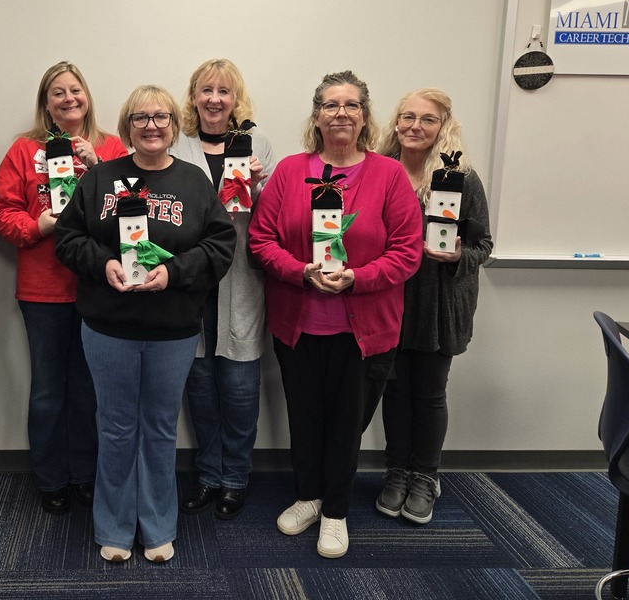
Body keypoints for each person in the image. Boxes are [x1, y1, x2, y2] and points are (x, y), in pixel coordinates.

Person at [55, 85, 236, 564]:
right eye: (140, 117)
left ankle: (157, 526)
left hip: (172, 329)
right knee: (115, 427)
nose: (151, 125)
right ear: (127, 126)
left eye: (160, 117)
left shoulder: (195, 181)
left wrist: (172, 273)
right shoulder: (99, 179)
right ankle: (113, 526)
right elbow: (68, 238)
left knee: (158, 428)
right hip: (108, 326)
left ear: (174, 125)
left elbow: (220, 246)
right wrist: (103, 265)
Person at [248, 70, 422, 559]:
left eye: (350, 105)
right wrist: (302, 270)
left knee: (347, 424)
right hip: (298, 324)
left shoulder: (388, 175)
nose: (339, 113)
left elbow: (408, 252)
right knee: (304, 416)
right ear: (317, 115)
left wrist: (358, 277)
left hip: (363, 330)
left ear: (364, 116)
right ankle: (309, 495)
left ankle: (335, 512)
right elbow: (261, 240)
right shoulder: (288, 171)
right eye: (330, 105)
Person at [0, 61, 128, 514]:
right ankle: (50, 478)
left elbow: (135, 205)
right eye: (58, 93)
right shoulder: (24, 150)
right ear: (45, 104)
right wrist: (37, 226)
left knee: (89, 390)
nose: (68, 99)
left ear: (87, 95)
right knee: (48, 389)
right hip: (43, 291)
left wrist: (99, 165)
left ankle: (85, 475)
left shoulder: (111, 145)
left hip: (98, 286)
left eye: (75, 90)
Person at [368, 89, 493, 525]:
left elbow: (484, 245)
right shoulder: (378, 171)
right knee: (393, 390)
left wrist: (460, 256)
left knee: (428, 392)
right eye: (407, 117)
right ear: (395, 122)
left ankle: (426, 476)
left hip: (438, 303)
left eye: (428, 119)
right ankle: (397, 472)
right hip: (387, 298)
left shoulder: (461, 178)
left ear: (444, 126)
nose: (415, 126)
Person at [169, 58, 275, 520]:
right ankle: (209, 475)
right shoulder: (177, 143)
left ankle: (236, 478)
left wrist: (258, 184)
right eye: (206, 90)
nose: (215, 99)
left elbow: (276, 216)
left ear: (236, 99)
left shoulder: (258, 146)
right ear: (193, 96)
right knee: (199, 387)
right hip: (189, 284)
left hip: (240, 283)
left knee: (238, 389)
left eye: (224, 91)